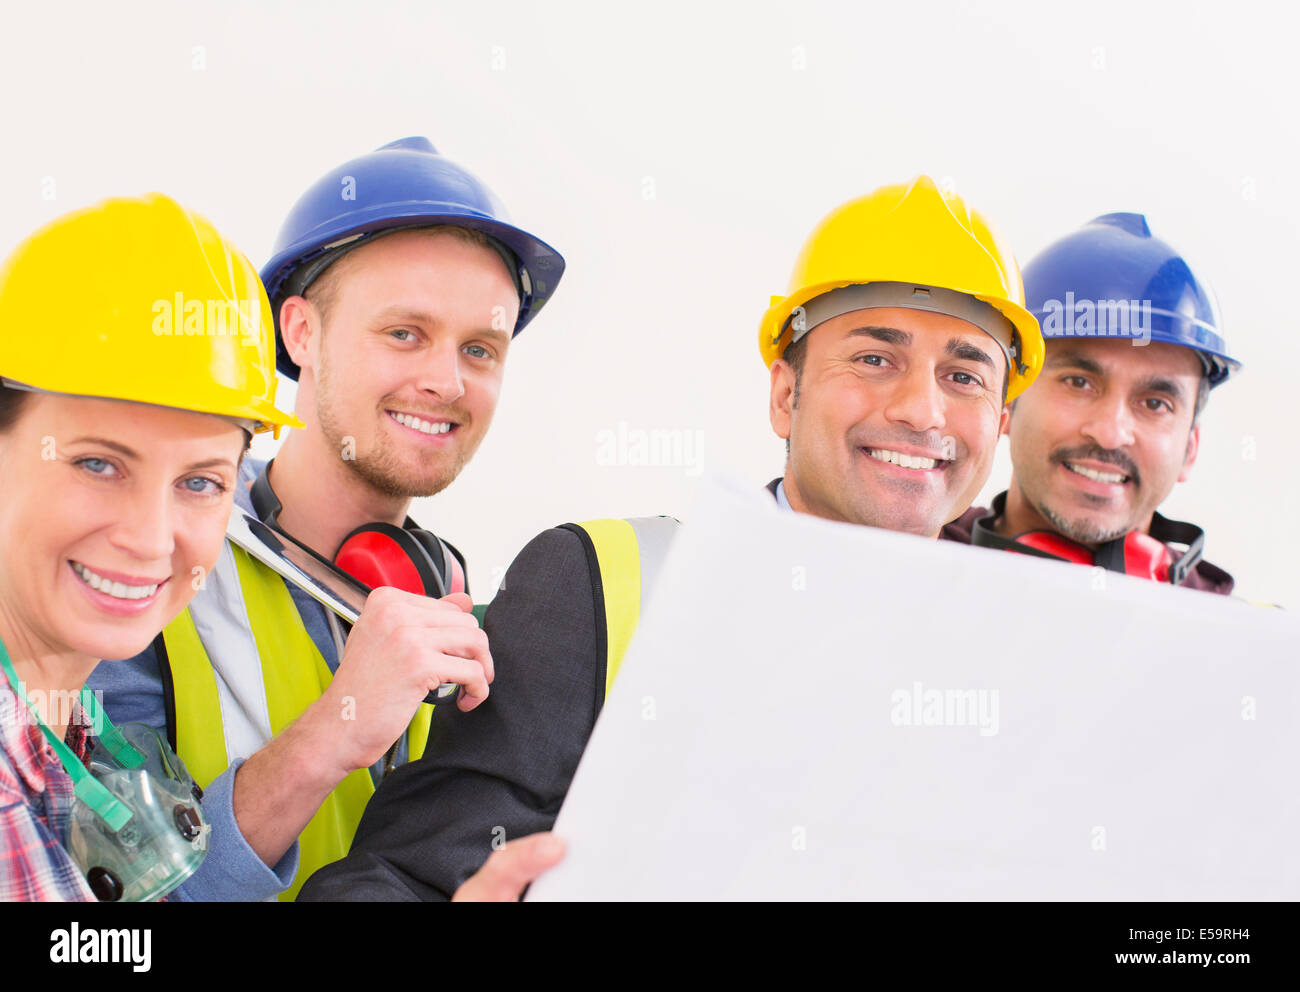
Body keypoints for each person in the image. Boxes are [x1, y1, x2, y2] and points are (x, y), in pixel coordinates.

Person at [297, 174, 1045, 900]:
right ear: (787, 395)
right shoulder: (602, 585)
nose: (922, 410)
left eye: (965, 377)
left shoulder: (1025, 660)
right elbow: (397, 878)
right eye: (876, 359)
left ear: (1002, 425)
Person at [0, 193, 560, 900]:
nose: (445, 381)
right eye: (403, 332)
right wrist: (329, 736)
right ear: (299, 332)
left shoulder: (452, 598)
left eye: (200, 482)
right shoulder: (121, 612)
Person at [942, 214, 1238, 593]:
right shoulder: (904, 560)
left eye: (1155, 403)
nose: (1110, 434)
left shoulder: (1235, 640)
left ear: (1190, 450)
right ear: (1008, 400)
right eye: (1078, 382)